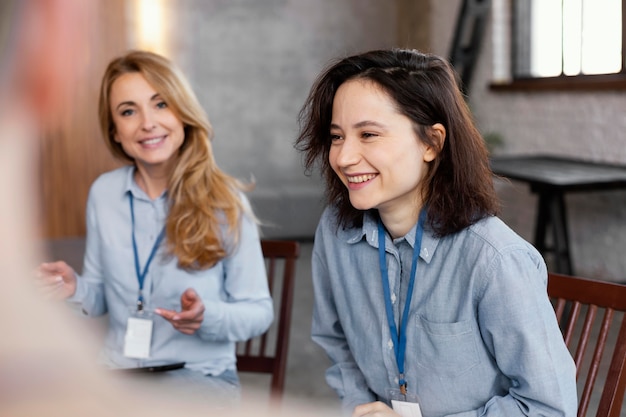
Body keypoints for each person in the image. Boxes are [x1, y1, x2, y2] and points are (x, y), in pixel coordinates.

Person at [295, 49, 577, 417]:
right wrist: (361, 406)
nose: (344, 157)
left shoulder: (495, 260)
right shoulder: (336, 233)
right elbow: (337, 344)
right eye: (336, 136)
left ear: (431, 143)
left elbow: (549, 408)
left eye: (368, 134)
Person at [36, 50, 274, 405]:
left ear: (183, 114)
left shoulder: (226, 201)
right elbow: (100, 296)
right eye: (128, 111)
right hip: (118, 373)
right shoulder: (104, 193)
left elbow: (259, 313)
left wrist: (207, 316)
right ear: (115, 131)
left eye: (160, 104)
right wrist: (73, 287)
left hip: (199, 376)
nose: (147, 123)